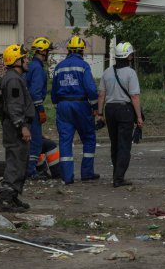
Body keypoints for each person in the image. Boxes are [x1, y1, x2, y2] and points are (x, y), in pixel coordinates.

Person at [51, 36, 100, 185]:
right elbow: (91, 89)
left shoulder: (59, 67)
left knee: (65, 141)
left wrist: (57, 104)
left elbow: (53, 91)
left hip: (63, 106)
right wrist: (95, 107)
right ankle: (87, 173)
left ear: (69, 50)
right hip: (81, 105)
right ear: (81, 50)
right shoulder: (84, 66)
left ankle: (67, 177)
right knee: (89, 138)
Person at [97, 42, 143, 188]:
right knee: (124, 145)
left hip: (110, 110)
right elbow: (134, 96)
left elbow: (101, 95)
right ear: (128, 56)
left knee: (115, 144)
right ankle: (119, 178)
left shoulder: (107, 72)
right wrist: (139, 118)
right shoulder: (131, 73)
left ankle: (116, 174)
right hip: (124, 111)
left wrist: (99, 114)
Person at [0, 44, 35, 212]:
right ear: (16, 61)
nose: (27, 60)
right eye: (24, 58)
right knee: (15, 162)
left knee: (20, 161)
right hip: (16, 126)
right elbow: (14, 106)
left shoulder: (15, 78)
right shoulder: (13, 80)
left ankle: (12, 197)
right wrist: (21, 126)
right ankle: (5, 200)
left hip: (14, 124)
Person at [25, 37, 60, 180]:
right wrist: (40, 109)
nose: (48, 54)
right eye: (48, 51)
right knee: (36, 142)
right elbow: (35, 92)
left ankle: (29, 169)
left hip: (25, 108)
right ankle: (31, 171)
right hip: (33, 108)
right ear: (43, 52)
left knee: (30, 139)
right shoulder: (38, 68)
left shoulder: (29, 66)